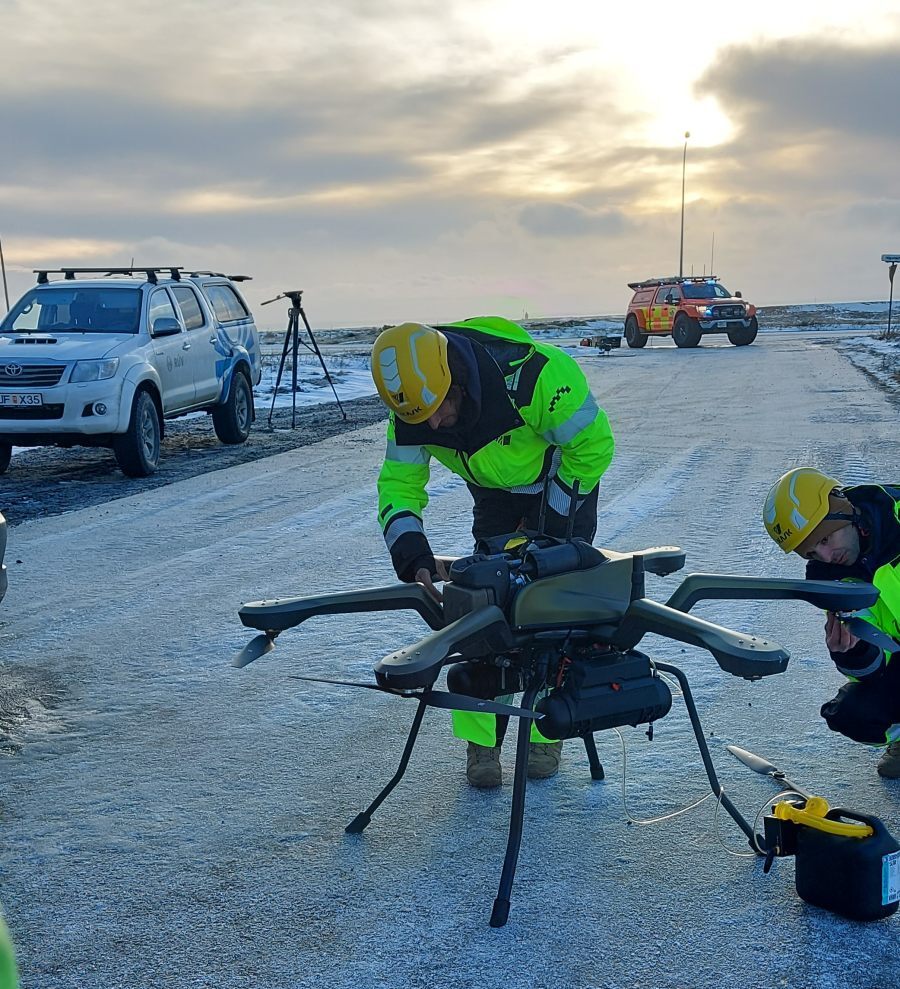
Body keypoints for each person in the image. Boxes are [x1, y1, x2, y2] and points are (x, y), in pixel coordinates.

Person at [371, 316, 615, 787]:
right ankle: (482, 743)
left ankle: (547, 731)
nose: (434, 425)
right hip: (494, 493)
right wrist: (412, 554)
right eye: (421, 419)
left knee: (556, 614)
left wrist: (552, 530)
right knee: (484, 616)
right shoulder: (414, 409)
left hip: (562, 478)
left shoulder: (535, 376)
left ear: (457, 381)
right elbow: (399, 484)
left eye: (439, 410)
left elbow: (594, 446)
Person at [763, 467, 900, 778]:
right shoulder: (831, 582)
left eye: (825, 539)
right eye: (812, 552)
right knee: (852, 713)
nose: (826, 556)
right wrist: (855, 654)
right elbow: (882, 663)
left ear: (842, 509)